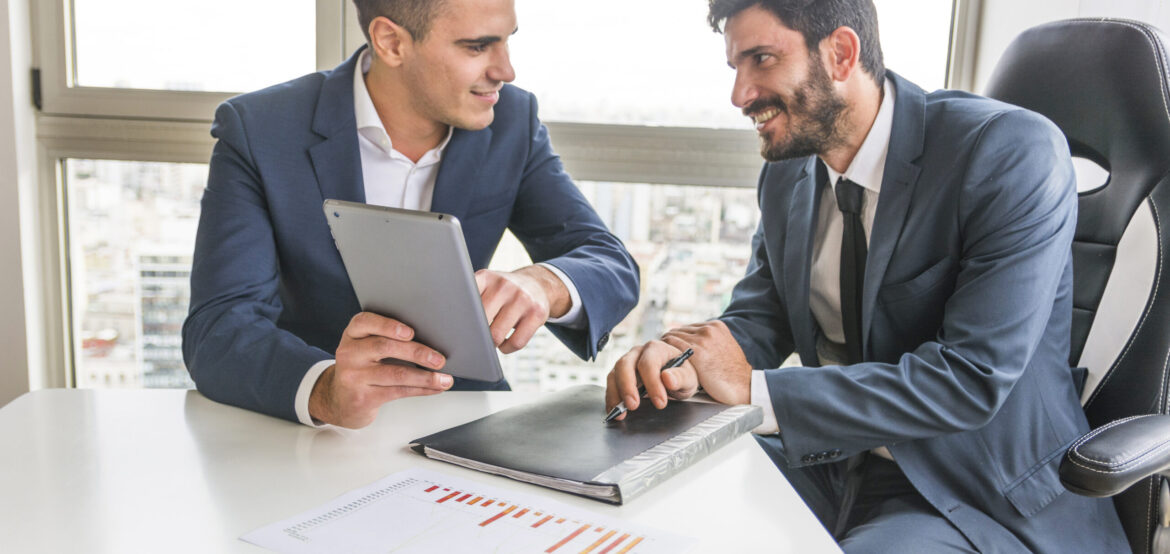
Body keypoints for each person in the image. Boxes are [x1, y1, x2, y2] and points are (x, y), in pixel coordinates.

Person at [605, 0, 1127, 551]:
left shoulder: (1005, 152)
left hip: (969, 490)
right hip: (833, 460)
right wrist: (683, 361)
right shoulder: (786, 178)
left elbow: (970, 379)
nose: (740, 94)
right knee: (649, 497)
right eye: (735, 67)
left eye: (761, 59)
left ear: (840, 53)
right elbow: (763, 317)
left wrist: (753, 391)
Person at [183, 0, 638, 429]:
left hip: (463, 422)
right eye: (477, 46)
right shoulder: (260, 129)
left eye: (506, 40)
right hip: (312, 436)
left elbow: (610, 263)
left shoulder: (512, 120)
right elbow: (219, 326)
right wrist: (326, 390)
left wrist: (543, 284)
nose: (506, 70)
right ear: (391, 42)